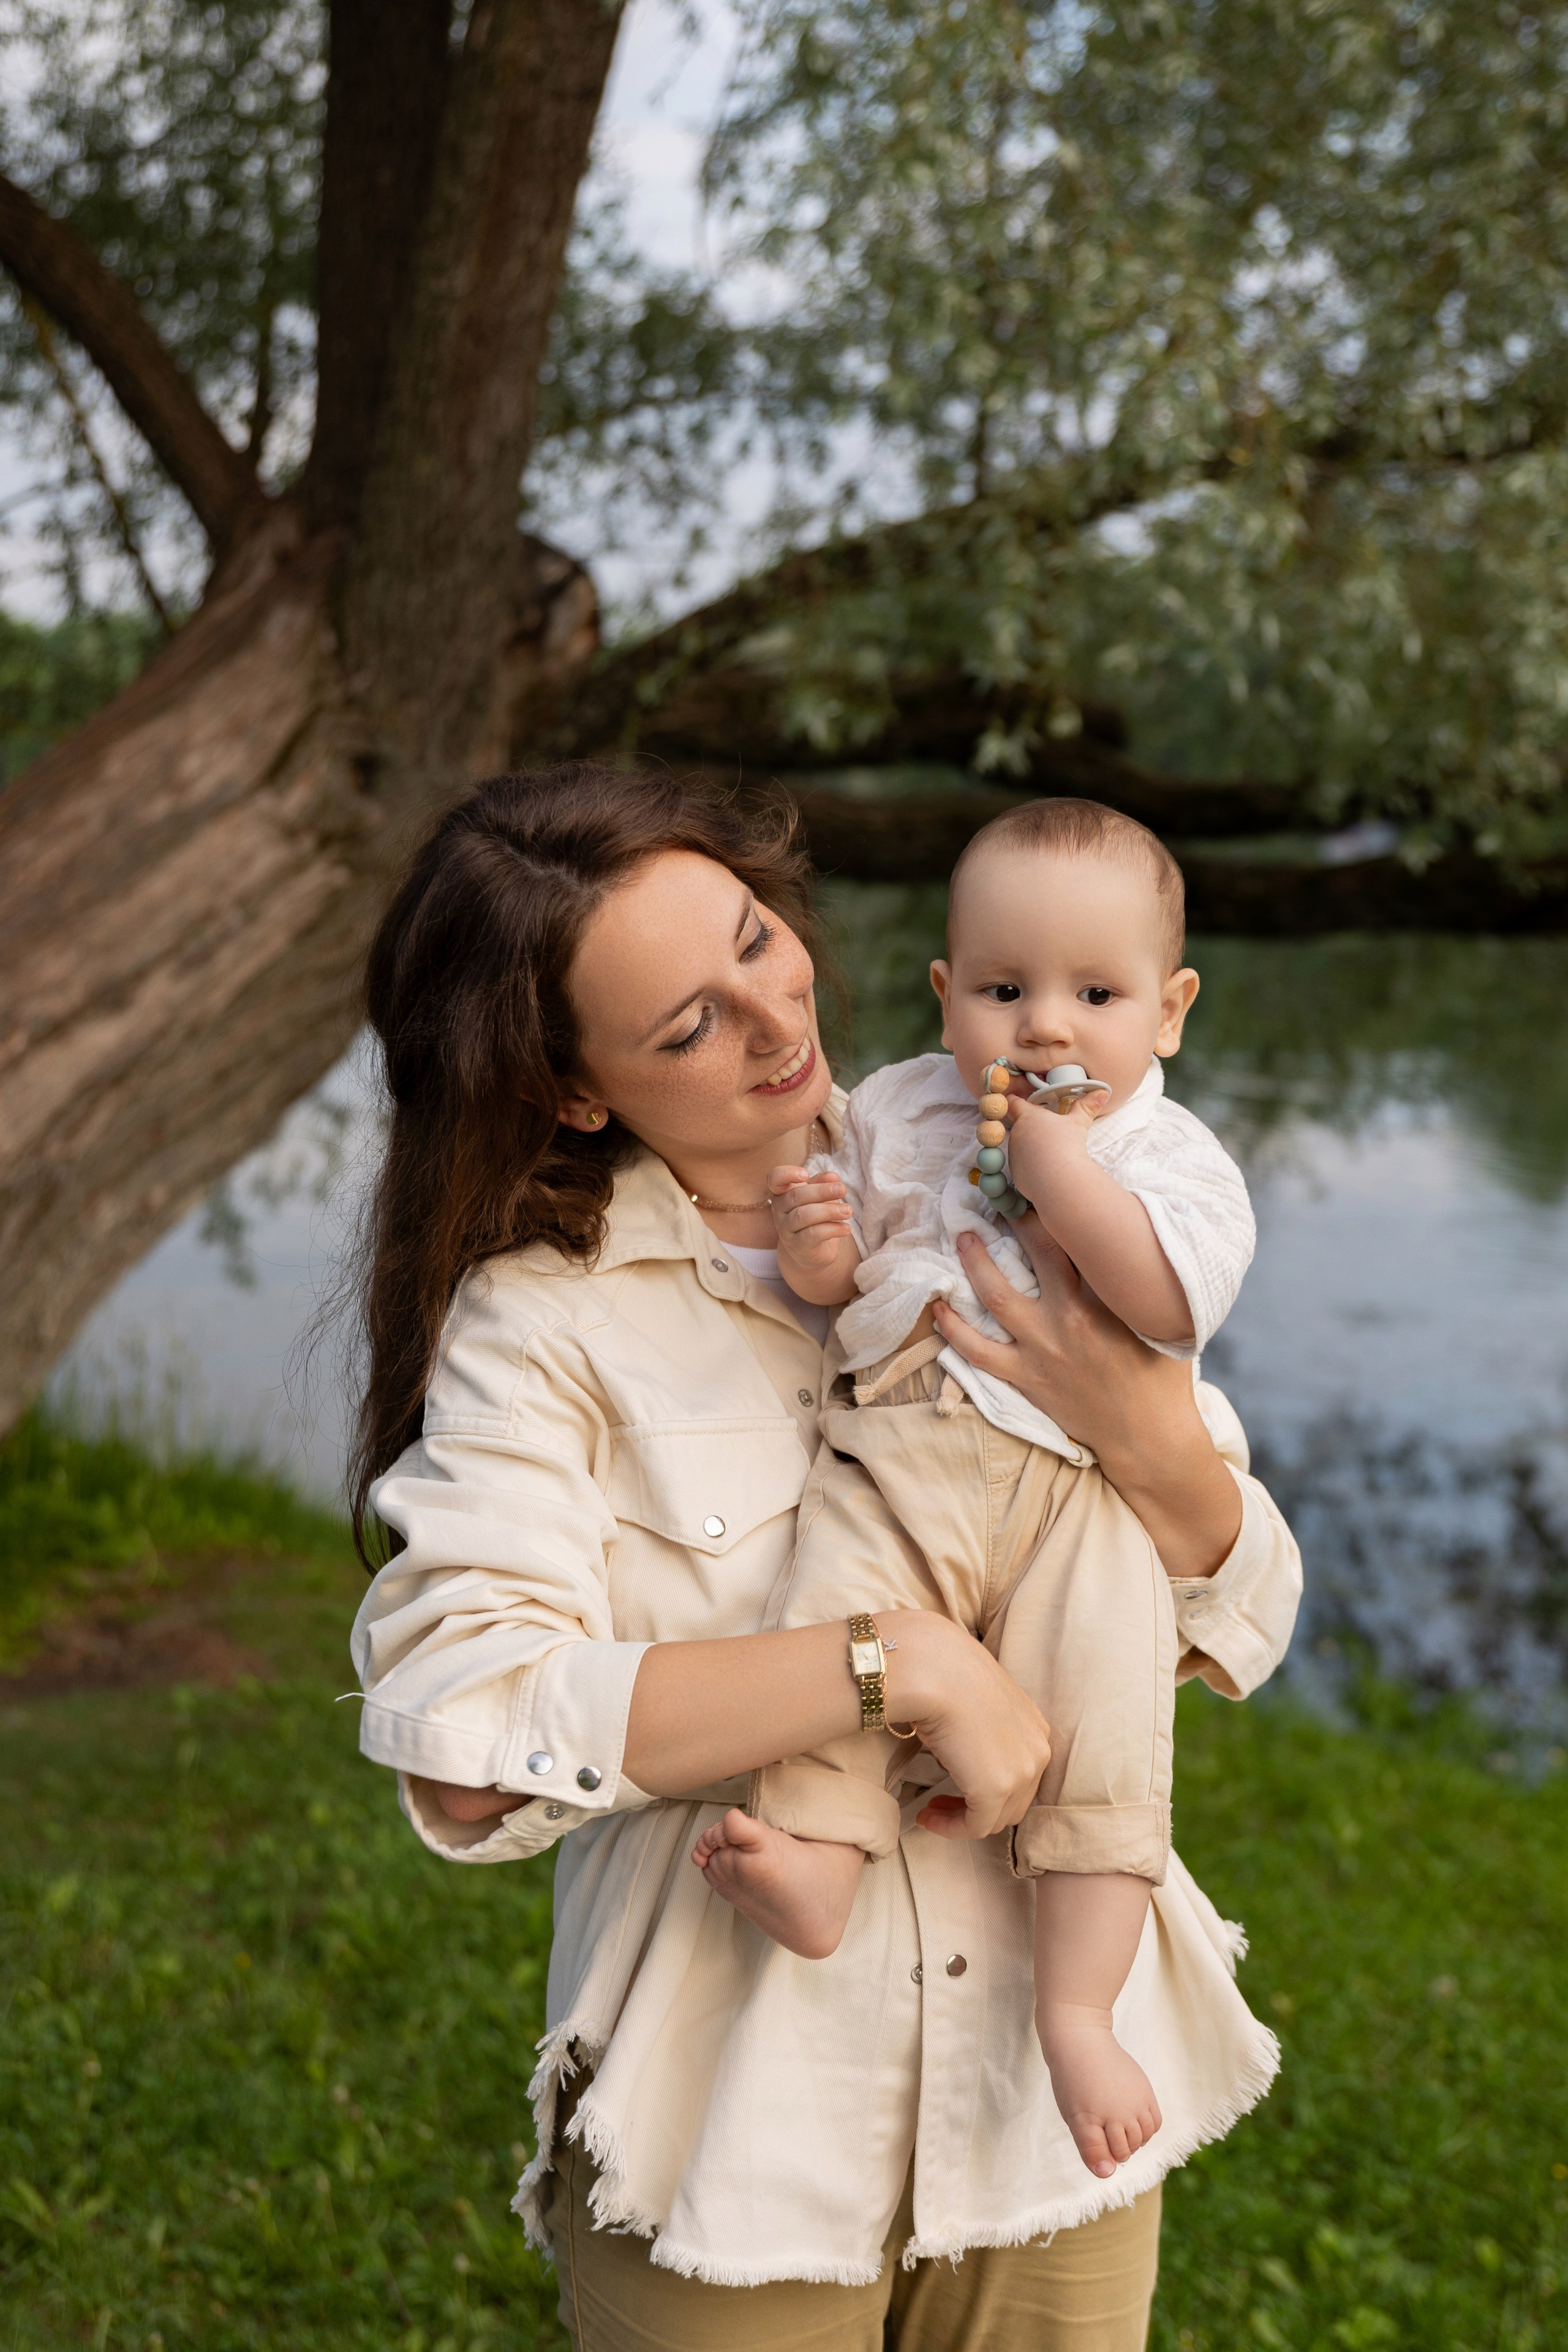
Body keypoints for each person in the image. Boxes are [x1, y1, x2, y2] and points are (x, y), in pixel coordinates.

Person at [348, 765, 1302, 2352]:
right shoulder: (545, 1323)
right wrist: (902, 1668)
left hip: (1048, 2102)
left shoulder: (982, 1163)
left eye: (757, 942)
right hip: (737, 2129)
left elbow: (1235, 1609)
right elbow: (468, 1744)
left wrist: (1142, 1437)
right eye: (687, 1028)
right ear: (577, 1091)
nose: (779, 1024)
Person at [691, 798, 1254, 2184]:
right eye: (1003, 990)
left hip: (1082, 1496)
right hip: (905, 1451)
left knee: (1108, 1727)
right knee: (836, 1623)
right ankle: (820, 1859)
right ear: (947, 996)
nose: (1045, 1029)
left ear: (1169, 1012)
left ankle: (1077, 2009)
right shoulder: (891, 1110)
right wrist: (819, 1247)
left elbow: (1168, 1303)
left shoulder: (1166, 1158)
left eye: (1096, 994)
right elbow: (846, 1292)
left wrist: (1057, 1165)